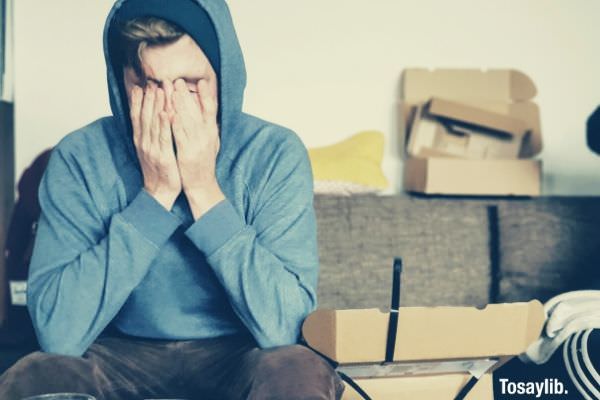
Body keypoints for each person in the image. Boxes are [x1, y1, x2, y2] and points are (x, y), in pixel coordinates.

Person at [0, 0, 344, 399]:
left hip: (239, 353)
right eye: (148, 85)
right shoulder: (80, 156)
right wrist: (157, 193)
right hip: (117, 353)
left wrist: (203, 189)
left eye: (192, 84)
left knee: (296, 369)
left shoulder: (274, 153)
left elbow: (285, 328)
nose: (169, 108)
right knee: (38, 375)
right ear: (120, 81)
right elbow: (60, 334)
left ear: (224, 78)